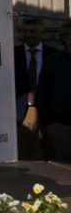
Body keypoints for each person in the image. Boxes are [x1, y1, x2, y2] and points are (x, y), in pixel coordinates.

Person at [14, 15, 57, 160]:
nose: (28, 35)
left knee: (50, 154)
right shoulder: (13, 54)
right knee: (25, 154)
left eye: (32, 31)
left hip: (49, 114)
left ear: (41, 33)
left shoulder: (54, 54)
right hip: (21, 115)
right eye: (25, 31)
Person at [37, 21, 71, 162]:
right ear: (65, 39)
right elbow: (42, 94)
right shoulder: (52, 63)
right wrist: (49, 124)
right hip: (60, 128)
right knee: (63, 169)